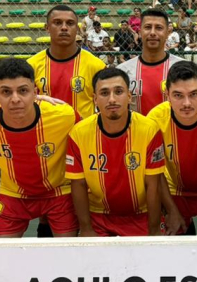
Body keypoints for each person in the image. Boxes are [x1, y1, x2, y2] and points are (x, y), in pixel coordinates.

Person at [0, 59, 78, 237]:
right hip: (12, 194)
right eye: (6, 92)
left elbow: (84, 143)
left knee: (68, 250)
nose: (15, 99)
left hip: (59, 192)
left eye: (23, 91)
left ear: (35, 92)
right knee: (1, 252)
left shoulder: (63, 115)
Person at [66, 67, 167, 236]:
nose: (112, 99)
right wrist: (86, 228)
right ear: (95, 99)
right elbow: (78, 185)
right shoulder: (78, 133)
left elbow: (153, 185)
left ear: (129, 96)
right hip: (98, 216)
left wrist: (154, 229)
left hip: (141, 215)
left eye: (118, 92)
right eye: (104, 93)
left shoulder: (150, 130)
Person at [147, 61, 197, 235]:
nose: (186, 103)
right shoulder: (155, 120)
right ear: (167, 95)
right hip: (175, 192)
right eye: (178, 95)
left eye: (194, 94)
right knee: (170, 240)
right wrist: (171, 210)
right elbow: (155, 172)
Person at [28, 4, 105, 122]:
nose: (64, 27)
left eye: (70, 23)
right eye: (57, 23)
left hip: (82, 132)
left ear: (77, 28)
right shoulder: (31, 66)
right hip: (46, 132)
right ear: (47, 28)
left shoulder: (96, 66)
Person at [118, 9, 184, 114]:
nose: (152, 33)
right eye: (148, 27)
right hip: (137, 125)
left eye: (159, 28)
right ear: (140, 32)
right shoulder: (122, 71)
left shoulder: (183, 68)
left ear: (167, 33)